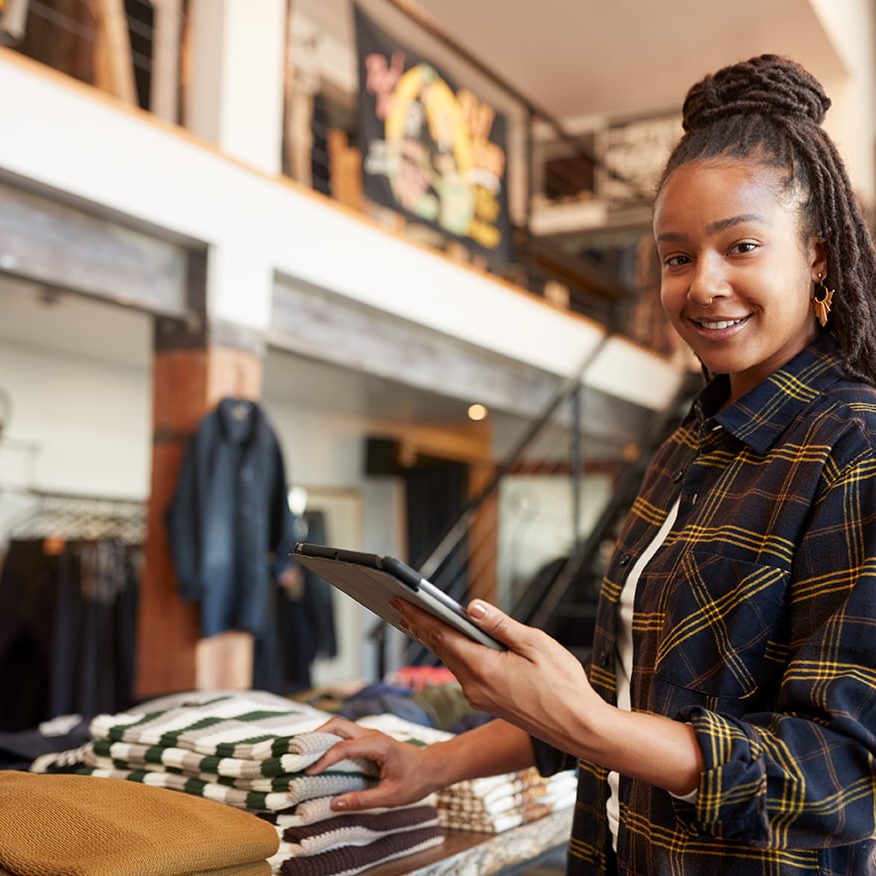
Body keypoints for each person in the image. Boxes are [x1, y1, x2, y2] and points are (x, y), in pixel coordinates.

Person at [308, 54, 876, 875]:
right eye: (677, 258)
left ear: (818, 256)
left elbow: (842, 779)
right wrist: (434, 764)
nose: (704, 285)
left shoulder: (854, 448)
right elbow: (618, 701)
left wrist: (587, 724)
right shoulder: (688, 448)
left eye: (741, 246)